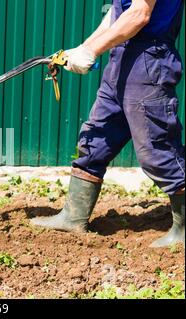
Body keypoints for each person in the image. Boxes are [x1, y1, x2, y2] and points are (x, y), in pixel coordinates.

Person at [30, 0, 185, 248]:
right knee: (96, 138)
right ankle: (73, 216)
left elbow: (139, 15)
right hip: (122, 56)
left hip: (149, 59)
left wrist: (92, 51)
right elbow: (117, 14)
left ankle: (183, 231)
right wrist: (84, 47)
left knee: (157, 151)